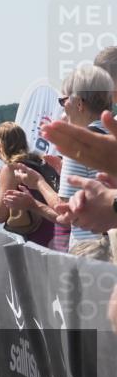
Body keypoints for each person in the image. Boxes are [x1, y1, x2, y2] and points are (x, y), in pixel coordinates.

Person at [0, 122, 57, 247]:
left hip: (35, 238)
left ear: (0, 144)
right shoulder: (37, 161)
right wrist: (1, 179)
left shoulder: (10, 169)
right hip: (54, 231)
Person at [51, 65, 113, 251]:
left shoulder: (78, 145)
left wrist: (37, 182)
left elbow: (64, 210)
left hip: (91, 249)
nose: (62, 109)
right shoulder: (112, 135)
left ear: (79, 103)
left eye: (63, 101)